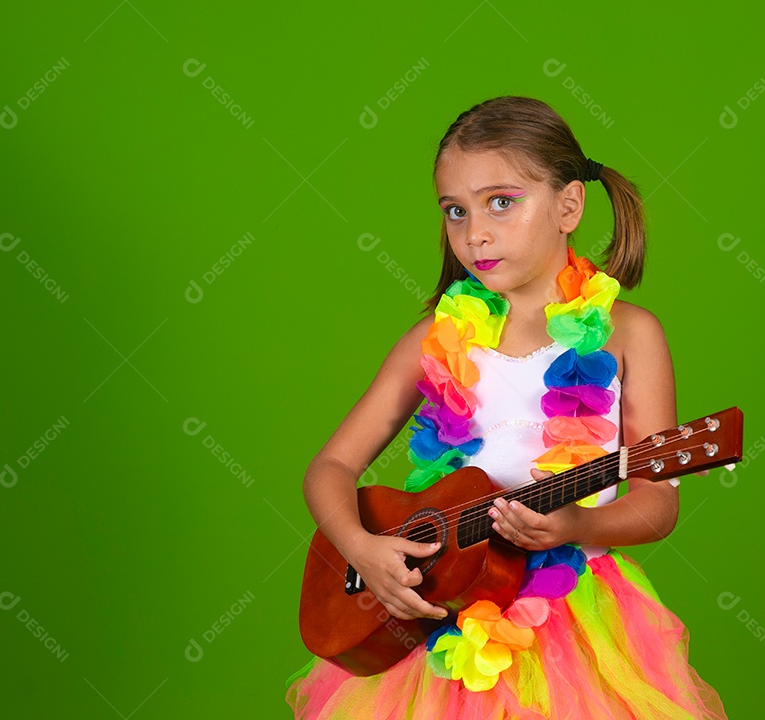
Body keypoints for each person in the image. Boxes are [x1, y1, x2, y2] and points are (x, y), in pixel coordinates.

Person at [285, 95, 728, 719]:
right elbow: (329, 467)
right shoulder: (431, 342)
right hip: (442, 624)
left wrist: (578, 526)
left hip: (572, 618)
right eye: (454, 211)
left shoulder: (629, 334)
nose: (475, 233)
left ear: (569, 205)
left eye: (502, 202)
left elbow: (658, 505)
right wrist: (361, 548)